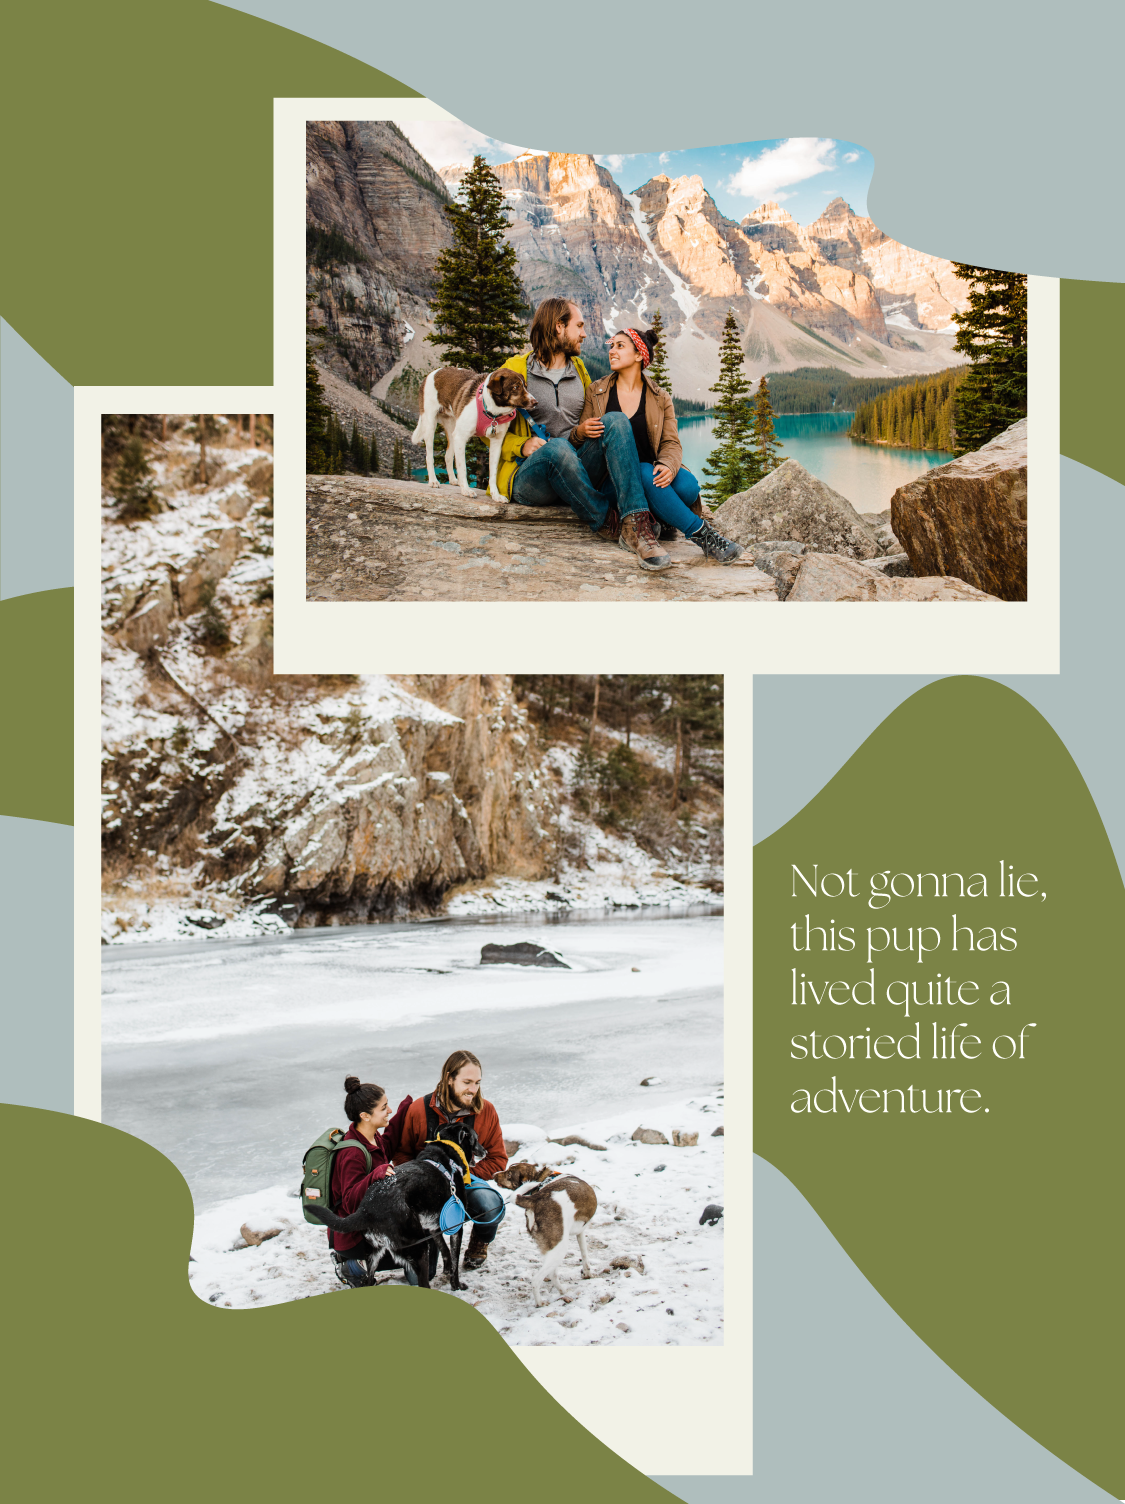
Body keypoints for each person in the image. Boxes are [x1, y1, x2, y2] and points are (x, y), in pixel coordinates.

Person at [494, 297, 674, 572]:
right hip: (531, 476)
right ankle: (606, 520)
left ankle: (636, 525)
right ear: (558, 327)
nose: (584, 333)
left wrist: (583, 432)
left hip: (575, 470)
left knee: (614, 420)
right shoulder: (516, 369)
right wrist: (521, 444)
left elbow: (592, 423)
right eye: (578, 326)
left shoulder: (578, 370)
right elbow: (485, 428)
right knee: (556, 449)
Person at [580, 327, 743, 563]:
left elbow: (671, 443)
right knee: (646, 472)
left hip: (650, 474)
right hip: (613, 482)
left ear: (639, 355)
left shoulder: (659, 397)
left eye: (620, 346)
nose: (612, 351)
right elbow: (584, 443)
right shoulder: (596, 391)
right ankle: (703, 536)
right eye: (611, 346)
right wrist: (580, 431)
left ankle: (656, 518)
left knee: (688, 486)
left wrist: (668, 464)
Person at [394, 1049, 507, 1271]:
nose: (473, 1089)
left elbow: (498, 1158)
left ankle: (479, 1241)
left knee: (491, 1206)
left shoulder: (487, 1110)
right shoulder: (418, 1109)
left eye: (477, 1082)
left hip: (466, 1181)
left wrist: (463, 1176)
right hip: (426, 1189)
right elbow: (402, 1154)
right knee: (424, 1274)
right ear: (449, 1078)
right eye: (467, 1082)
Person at [327, 1075, 413, 1288]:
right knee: (419, 1249)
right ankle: (351, 1265)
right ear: (365, 1115)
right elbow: (348, 1202)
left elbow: (389, 1142)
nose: (389, 1111)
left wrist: (406, 1108)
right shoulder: (352, 1153)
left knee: (424, 1250)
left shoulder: (373, 1137)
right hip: (353, 1236)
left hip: (372, 1225)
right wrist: (375, 1175)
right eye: (384, 1108)